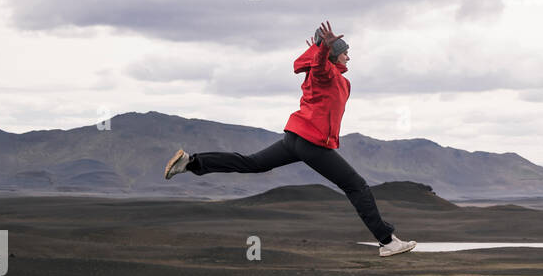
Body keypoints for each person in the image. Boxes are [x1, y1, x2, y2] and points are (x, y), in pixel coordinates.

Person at [162, 21, 416, 257]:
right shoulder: (324, 73)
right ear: (332, 54)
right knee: (356, 186)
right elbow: (319, 66)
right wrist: (321, 51)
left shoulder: (336, 77)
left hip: (294, 138)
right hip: (311, 143)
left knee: (252, 163)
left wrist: (321, 51)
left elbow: (321, 67)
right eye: (345, 51)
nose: (349, 56)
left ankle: (190, 162)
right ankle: (387, 241)